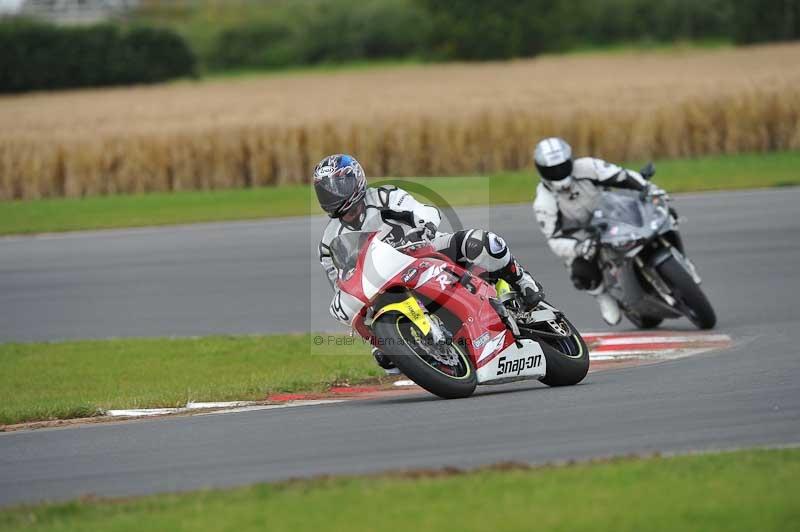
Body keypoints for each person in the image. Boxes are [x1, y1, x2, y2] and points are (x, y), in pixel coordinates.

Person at [315, 153, 544, 373]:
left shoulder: (384, 195)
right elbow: (343, 285)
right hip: (387, 281)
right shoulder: (328, 242)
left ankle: (521, 280)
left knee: (482, 242)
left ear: (356, 179)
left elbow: (422, 210)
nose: (333, 196)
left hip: (424, 249)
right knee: (382, 352)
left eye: (339, 186)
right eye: (325, 191)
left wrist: (423, 225)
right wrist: (380, 340)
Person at [532, 137, 665, 325]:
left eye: (562, 166)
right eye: (551, 170)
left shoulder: (588, 166)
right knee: (580, 270)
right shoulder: (543, 201)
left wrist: (647, 187)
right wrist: (578, 247)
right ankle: (603, 296)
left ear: (570, 160)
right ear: (541, 170)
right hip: (583, 235)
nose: (558, 172)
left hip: (611, 212)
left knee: (657, 215)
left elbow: (621, 175)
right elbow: (553, 238)